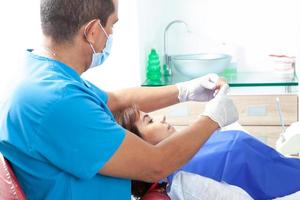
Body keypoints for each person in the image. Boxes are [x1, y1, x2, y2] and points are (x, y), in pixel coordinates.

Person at [0, 0, 239, 199]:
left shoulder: (42, 73)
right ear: (92, 31)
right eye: (111, 26)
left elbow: (115, 100)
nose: (110, 35)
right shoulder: (58, 100)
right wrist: (213, 118)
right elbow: (156, 164)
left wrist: (184, 90)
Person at [114, 105, 300, 200]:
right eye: (150, 121)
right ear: (138, 144)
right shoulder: (181, 181)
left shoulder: (186, 152)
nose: (161, 117)